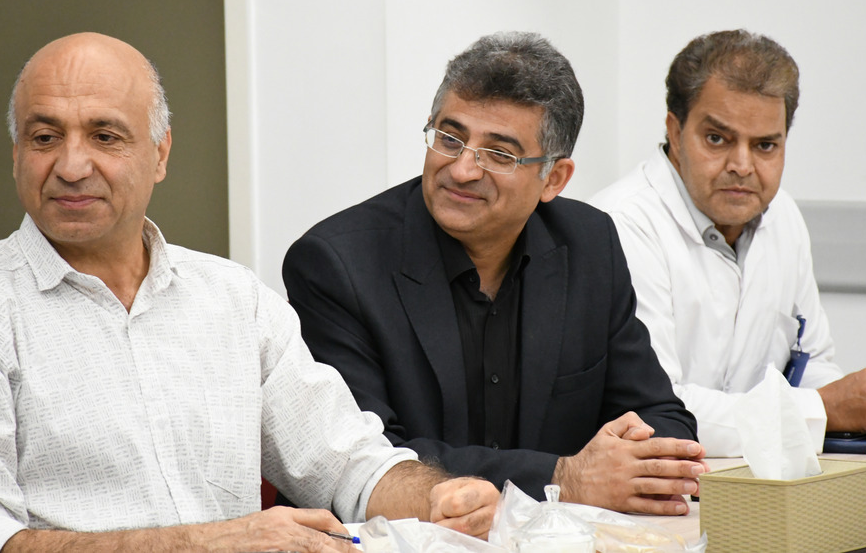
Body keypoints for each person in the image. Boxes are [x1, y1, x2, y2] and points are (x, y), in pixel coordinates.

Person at [0, 33, 499, 553]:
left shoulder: (234, 299)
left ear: (160, 153)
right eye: (44, 137)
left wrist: (437, 498)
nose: (71, 165)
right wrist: (203, 544)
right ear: (17, 153)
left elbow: (346, 464)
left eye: (105, 136)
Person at [282, 31, 707, 517]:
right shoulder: (337, 265)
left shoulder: (589, 244)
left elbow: (661, 415)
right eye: (450, 139)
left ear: (553, 178)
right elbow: (366, 464)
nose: (462, 169)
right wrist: (564, 479)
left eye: (499, 154)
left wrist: (633, 457)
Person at [590, 29, 866, 457]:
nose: (742, 166)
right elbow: (656, 409)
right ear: (675, 131)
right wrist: (823, 409)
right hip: (654, 481)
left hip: (753, 474)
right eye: (717, 139)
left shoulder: (783, 216)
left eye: (765, 146)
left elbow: (812, 363)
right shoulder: (620, 224)